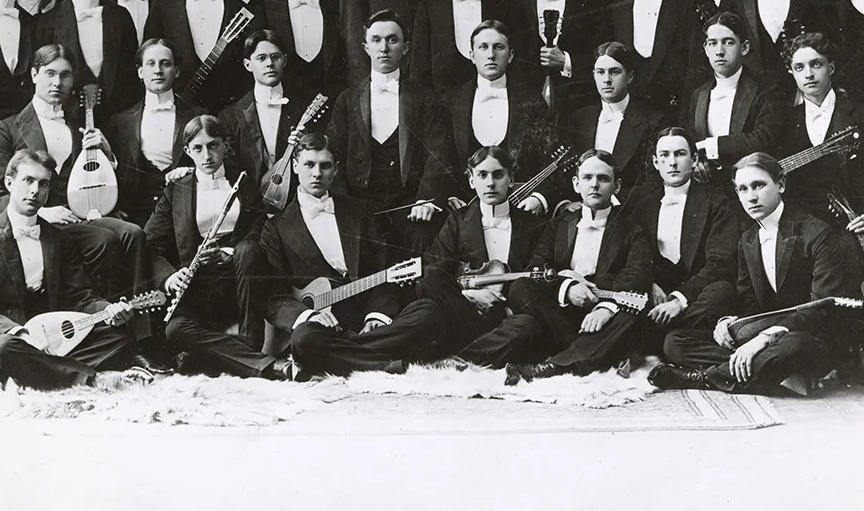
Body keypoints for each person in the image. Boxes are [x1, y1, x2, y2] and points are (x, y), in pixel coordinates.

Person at [650, 152, 851, 394]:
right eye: (743, 189)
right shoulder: (747, 239)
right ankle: (771, 372)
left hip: (807, 335)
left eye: (759, 185)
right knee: (675, 342)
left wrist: (764, 339)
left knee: (795, 347)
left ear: (781, 185)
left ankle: (701, 378)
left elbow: (820, 309)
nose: (752, 197)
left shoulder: (817, 234)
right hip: (767, 340)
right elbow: (749, 302)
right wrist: (728, 323)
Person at [258, 133, 448, 376]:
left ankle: (343, 359)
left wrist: (377, 314)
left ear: (336, 170)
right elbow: (272, 297)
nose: (317, 173)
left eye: (325, 165)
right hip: (322, 327)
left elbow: (385, 270)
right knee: (305, 337)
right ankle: (386, 365)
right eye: (309, 165)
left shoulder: (360, 212)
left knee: (428, 313)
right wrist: (308, 315)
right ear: (295, 166)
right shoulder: (276, 227)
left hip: (366, 319)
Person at [0, 44, 151, 308]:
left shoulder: (78, 124)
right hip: (36, 223)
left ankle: (139, 331)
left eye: (65, 75)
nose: (57, 82)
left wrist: (109, 156)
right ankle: (103, 322)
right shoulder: (8, 128)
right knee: (103, 240)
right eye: (49, 73)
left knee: (133, 234)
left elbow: (101, 182)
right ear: (35, 75)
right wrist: (42, 213)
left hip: (78, 219)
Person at [0, 149, 144, 390]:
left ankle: (35, 374)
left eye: (43, 184)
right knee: (5, 349)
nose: (35, 190)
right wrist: (22, 334)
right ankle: (91, 379)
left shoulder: (58, 239)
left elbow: (79, 296)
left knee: (119, 337)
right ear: (9, 182)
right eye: (28, 180)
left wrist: (108, 310)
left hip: (53, 339)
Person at [145, 115, 301, 378]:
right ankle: (264, 364)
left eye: (213, 145)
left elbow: (258, 229)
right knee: (175, 330)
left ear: (225, 145)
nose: (207, 155)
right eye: (198, 148)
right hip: (198, 289)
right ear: (187, 152)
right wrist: (170, 277)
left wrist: (227, 254)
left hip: (241, 283)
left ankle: (247, 345)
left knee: (247, 250)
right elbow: (149, 242)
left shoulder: (242, 181)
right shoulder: (177, 188)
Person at [503, 150, 654, 384]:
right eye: (587, 178)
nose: (594, 185)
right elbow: (537, 267)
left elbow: (636, 274)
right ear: (576, 184)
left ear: (616, 186)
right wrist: (567, 288)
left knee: (630, 315)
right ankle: (588, 352)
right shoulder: (558, 225)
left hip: (604, 313)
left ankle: (553, 366)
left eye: (603, 179)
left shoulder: (632, 230)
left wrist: (605, 308)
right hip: (561, 314)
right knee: (521, 287)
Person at [326, 10, 455, 261]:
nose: (384, 48)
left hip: (410, 204)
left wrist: (426, 200)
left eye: (392, 40)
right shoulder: (347, 99)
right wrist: (344, 205)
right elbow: (333, 156)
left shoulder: (425, 98)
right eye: (376, 40)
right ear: (365, 47)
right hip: (360, 205)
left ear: (405, 48)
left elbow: (439, 155)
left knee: (421, 244)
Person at [418, 147, 551, 367]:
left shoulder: (533, 225)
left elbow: (534, 282)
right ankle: (483, 355)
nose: (490, 183)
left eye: (498, 175)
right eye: (482, 175)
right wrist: (469, 295)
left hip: (508, 319)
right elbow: (434, 269)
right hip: (464, 314)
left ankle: (459, 360)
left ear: (511, 179)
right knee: (429, 276)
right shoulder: (457, 221)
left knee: (527, 325)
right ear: (471, 181)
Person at [778, 32, 864, 280]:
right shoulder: (786, 123)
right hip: (807, 235)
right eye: (799, 67)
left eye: (816, 64)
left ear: (831, 67)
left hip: (855, 229)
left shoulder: (863, 113)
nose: (808, 74)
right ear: (791, 73)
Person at [622, 128, 739, 354]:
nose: (672, 162)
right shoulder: (643, 206)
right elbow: (635, 258)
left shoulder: (716, 201)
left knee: (721, 291)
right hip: (656, 297)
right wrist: (650, 283)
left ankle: (655, 338)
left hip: (695, 298)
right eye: (664, 156)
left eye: (680, 154)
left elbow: (720, 263)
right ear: (656, 163)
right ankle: (670, 342)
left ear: (694, 159)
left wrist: (679, 300)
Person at [443, 20, 556, 212]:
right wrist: (447, 195)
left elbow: (547, 157)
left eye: (499, 47)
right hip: (462, 207)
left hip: (519, 206)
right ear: (471, 55)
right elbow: (441, 157)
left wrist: (538, 197)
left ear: (510, 55)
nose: (491, 55)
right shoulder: (451, 100)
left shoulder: (531, 100)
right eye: (483, 47)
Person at [34, 0, 139, 127]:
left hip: (117, 122)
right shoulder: (49, 21)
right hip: (66, 122)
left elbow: (132, 76)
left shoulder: (121, 17)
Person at [108, 38, 205, 227]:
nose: (158, 70)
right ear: (140, 72)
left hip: (187, 214)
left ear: (176, 71)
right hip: (136, 218)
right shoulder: (120, 122)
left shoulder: (199, 116)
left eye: (165, 64)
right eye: (150, 64)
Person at [505, 0, 599, 114]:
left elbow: (599, 55)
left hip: (577, 105)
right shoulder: (516, 5)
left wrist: (566, 61)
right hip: (527, 103)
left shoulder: (590, 4)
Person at [687, 12, 784, 188]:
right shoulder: (699, 95)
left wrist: (710, 145)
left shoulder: (766, 89)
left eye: (728, 42)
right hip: (710, 191)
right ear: (706, 49)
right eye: (713, 43)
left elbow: (762, 140)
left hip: (752, 188)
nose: (719, 51)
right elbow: (691, 141)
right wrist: (697, 162)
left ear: (744, 47)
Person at [562, 42, 666, 195]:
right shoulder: (579, 119)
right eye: (600, 72)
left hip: (629, 211)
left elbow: (653, 182)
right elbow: (564, 177)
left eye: (614, 72)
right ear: (594, 75)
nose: (606, 79)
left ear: (629, 76)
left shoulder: (653, 122)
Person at [219, 29, 311, 203]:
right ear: (248, 65)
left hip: (294, 203)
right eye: (261, 58)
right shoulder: (229, 116)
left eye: (275, 57)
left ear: (284, 61)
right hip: (247, 206)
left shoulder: (303, 109)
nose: (269, 63)